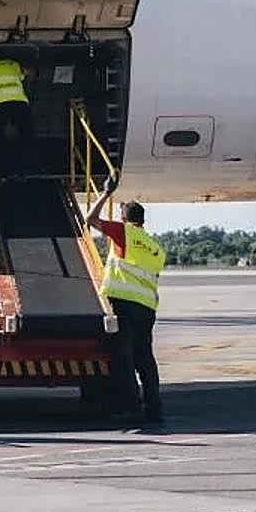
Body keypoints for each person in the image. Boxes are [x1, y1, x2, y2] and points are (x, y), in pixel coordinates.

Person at [86, 178, 167, 426]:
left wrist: (104, 194)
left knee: (123, 359)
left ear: (123, 218)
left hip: (123, 304)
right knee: (145, 359)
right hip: (147, 308)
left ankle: (131, 407)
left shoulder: (124, 233)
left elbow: (91, 220)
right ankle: (154, 408)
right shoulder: (156, 248)